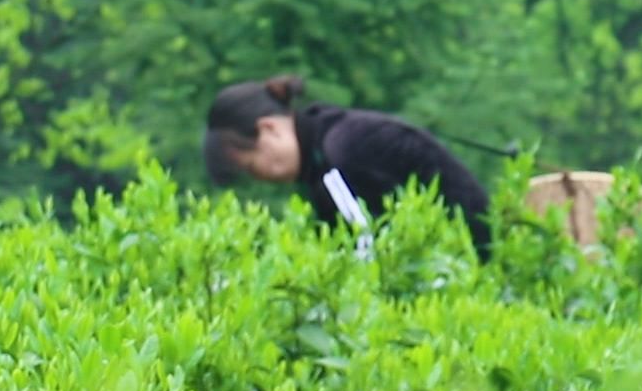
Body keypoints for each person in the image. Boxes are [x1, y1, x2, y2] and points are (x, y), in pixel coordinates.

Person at [202, 74, 492, 257]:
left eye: (254, 166)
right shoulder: (329, 139)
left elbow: (367, 251)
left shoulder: (337, 158)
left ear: (269, 129)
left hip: (471, 258)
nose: (263, 178)